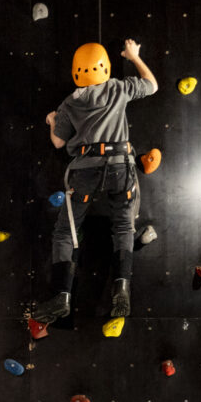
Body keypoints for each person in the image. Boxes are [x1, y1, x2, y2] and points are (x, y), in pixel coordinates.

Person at [36, 38, 159, 324]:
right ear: (104, 67)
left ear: (76, 71)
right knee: (123, 226)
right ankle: (122, 288)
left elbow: (58, 142)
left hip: (85, 169)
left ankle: (62, 296)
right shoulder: (118, 88)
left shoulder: (70, 102)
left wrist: (52, 122)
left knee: (65, 232)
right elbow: (152, 85)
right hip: (120, 167)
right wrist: (134, 57)